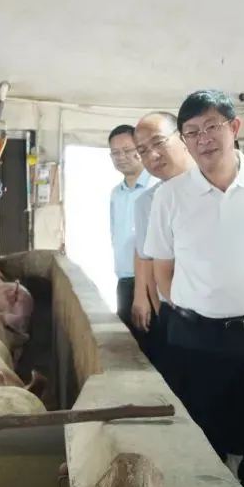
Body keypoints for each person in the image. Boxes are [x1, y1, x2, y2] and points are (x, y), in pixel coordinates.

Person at [144, 90, 244, 487]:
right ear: (184, 141)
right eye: (192, 132)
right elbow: (163, 269)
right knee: (199, 442)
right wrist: (194, 308)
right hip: (192, 338)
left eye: (212, 127)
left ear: (234, 127)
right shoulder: (171, 195)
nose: (203, 138)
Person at [130, 111, 193, 384]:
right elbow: (147, 259)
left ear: (183, 138)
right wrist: (158, 309)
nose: (152, 156)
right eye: (143, 151)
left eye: (158, 142)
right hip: (178, 314)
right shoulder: (146, 202)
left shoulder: (217, 186)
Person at [107, 124, 155, 340]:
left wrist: (142, 294)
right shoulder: (116, 194)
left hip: (151, 282)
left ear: (141, 149)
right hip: (124, 280)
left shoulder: (156, 188)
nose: (121, 157)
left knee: (150, 345)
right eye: (115, 153)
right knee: (129, 344)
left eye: (127, 150)